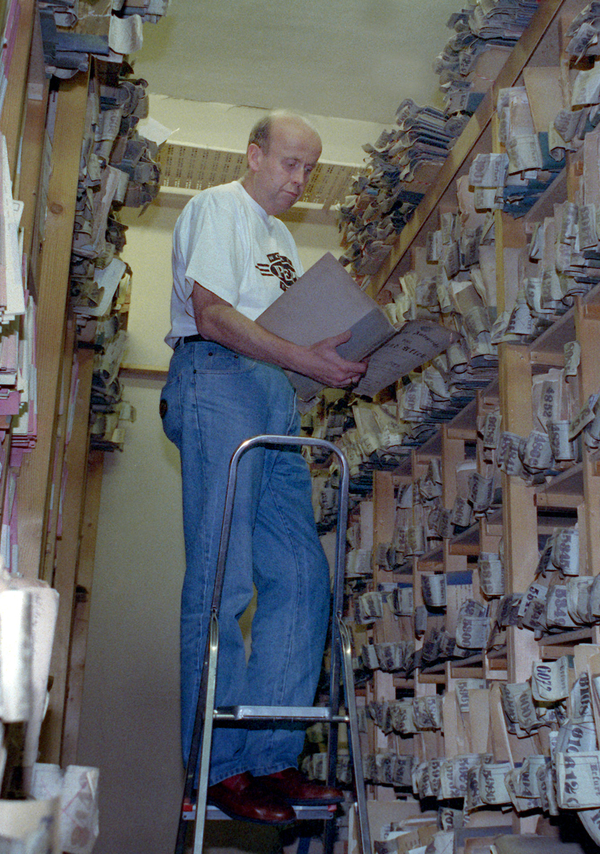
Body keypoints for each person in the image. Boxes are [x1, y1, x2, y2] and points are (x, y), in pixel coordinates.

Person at [159, 111, 367, 825]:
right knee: (225, 577)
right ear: (253, 156)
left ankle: (271, 760)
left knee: (304, 579)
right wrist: (304, 358)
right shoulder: (217, 207)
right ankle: (217, 769)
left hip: (275, 395)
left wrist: (329, 352)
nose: (300, 180)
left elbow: (277, 332)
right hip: (220, 381)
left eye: (310, 169)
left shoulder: (280, 240)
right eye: (289, 164)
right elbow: (213, 315)